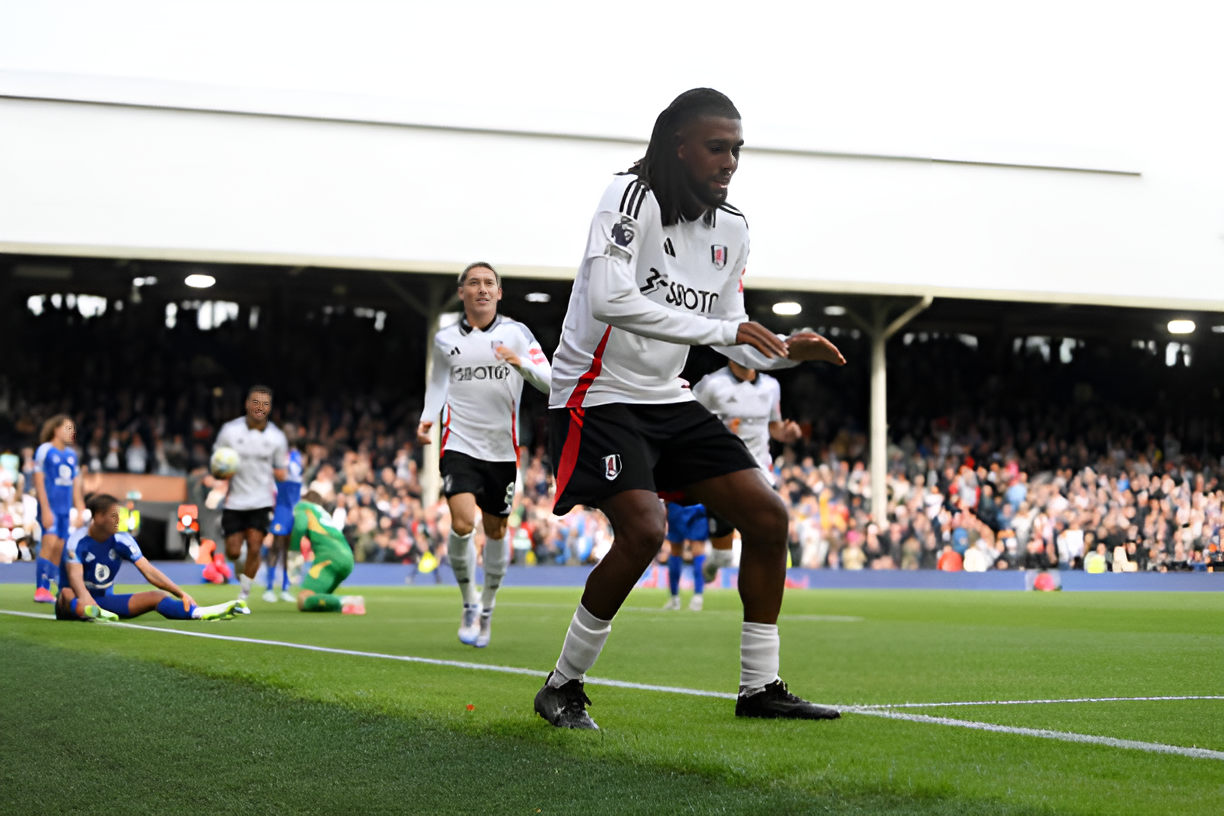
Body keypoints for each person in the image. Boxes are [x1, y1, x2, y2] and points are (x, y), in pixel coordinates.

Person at [533, 88, 846, 730]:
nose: (729, 161)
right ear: (678, 147)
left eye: (736, 150)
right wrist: (727, 333)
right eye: (716, 147)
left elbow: (731, 330)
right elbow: (609, 298)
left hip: (665, 396)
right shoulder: (630, 199)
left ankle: (759, 688)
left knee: (767, 517)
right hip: (596, 391)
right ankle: (562, 686)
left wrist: (786, 352)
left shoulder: (732, 229)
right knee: (646, 530)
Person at [417, 262, 551, 648]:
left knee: (496, 531)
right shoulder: (445, 340)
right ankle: (469, 603)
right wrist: (428, 418)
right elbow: (439, 382)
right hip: (459, 444)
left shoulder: (517, 334)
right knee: (461, 524)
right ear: (461, 292)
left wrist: (519, 362)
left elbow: (552, 380)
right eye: (473, 283)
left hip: (502, 451)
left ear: (499, 293)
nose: (481, 289)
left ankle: (488, 608)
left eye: (489, 283)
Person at [692, 360, 802, 583]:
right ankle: (714, 564)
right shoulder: (712, 385)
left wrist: (786, 433)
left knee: (764, 536)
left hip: (759, 470)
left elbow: (774, 426)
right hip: (721, 471)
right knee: (724, 556)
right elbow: (687, 420)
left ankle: (759, 603)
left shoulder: (771, 386)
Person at [57, 494, 247, 622]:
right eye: (114, 516)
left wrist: (180, 593)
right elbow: (75, 579)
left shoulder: (122, 539)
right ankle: (89, 611)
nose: (119, 521)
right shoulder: (77, 541)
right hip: (74, 601)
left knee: (158, 597)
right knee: (67, 594)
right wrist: (84, 599)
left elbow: (149, 571)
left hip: (104, 602)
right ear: (98, 517)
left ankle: (199, 613)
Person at [213, 386, 289, 602]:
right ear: (247, 404)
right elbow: (217, 461)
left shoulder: (277, 437)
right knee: (233, 552)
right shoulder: (230, 431)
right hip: (235, 501)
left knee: (255, 546)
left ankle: (243, 594)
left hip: (261, 501)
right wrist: (220, 472)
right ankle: (241, 566)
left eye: (265, 404)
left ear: (270, 408)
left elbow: (281, 470)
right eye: (256, 402)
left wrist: (284, 475)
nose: (260, 408)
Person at [286, 490, 363, 615]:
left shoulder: (304, 507)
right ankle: (344, 606)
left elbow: (300, 526)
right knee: (319, 599)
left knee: (304, 599)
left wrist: (293, 551)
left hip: (329, 558)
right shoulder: (324, 514)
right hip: (347, 557)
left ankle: (347, 601)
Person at [33, 415, 84, 603]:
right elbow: (38, 480)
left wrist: (80, 509)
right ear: (56, 429)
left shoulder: (72, 455)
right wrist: (45, 509)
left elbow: (76, 484)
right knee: (49, 542)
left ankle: (48, 585)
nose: (72, 432)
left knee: (60, 546)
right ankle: (40, 588)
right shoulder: (45, 450)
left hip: (65, 509)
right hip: (50, 507)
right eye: (68, 428)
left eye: (73, 429)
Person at [265, 441, 304, 603]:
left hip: (293, 504)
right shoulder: (279, 457)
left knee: (289, 548)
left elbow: (295, 471)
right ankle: (269, 588)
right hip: (282, 504)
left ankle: (285, 588)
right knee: (276, 546)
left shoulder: (295, 457)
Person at [662, 501, 709, 611]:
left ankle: (674, 599)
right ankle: (698, 598)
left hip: (678, 503)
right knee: (698, 550)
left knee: (675, 550)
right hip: (698, 505)